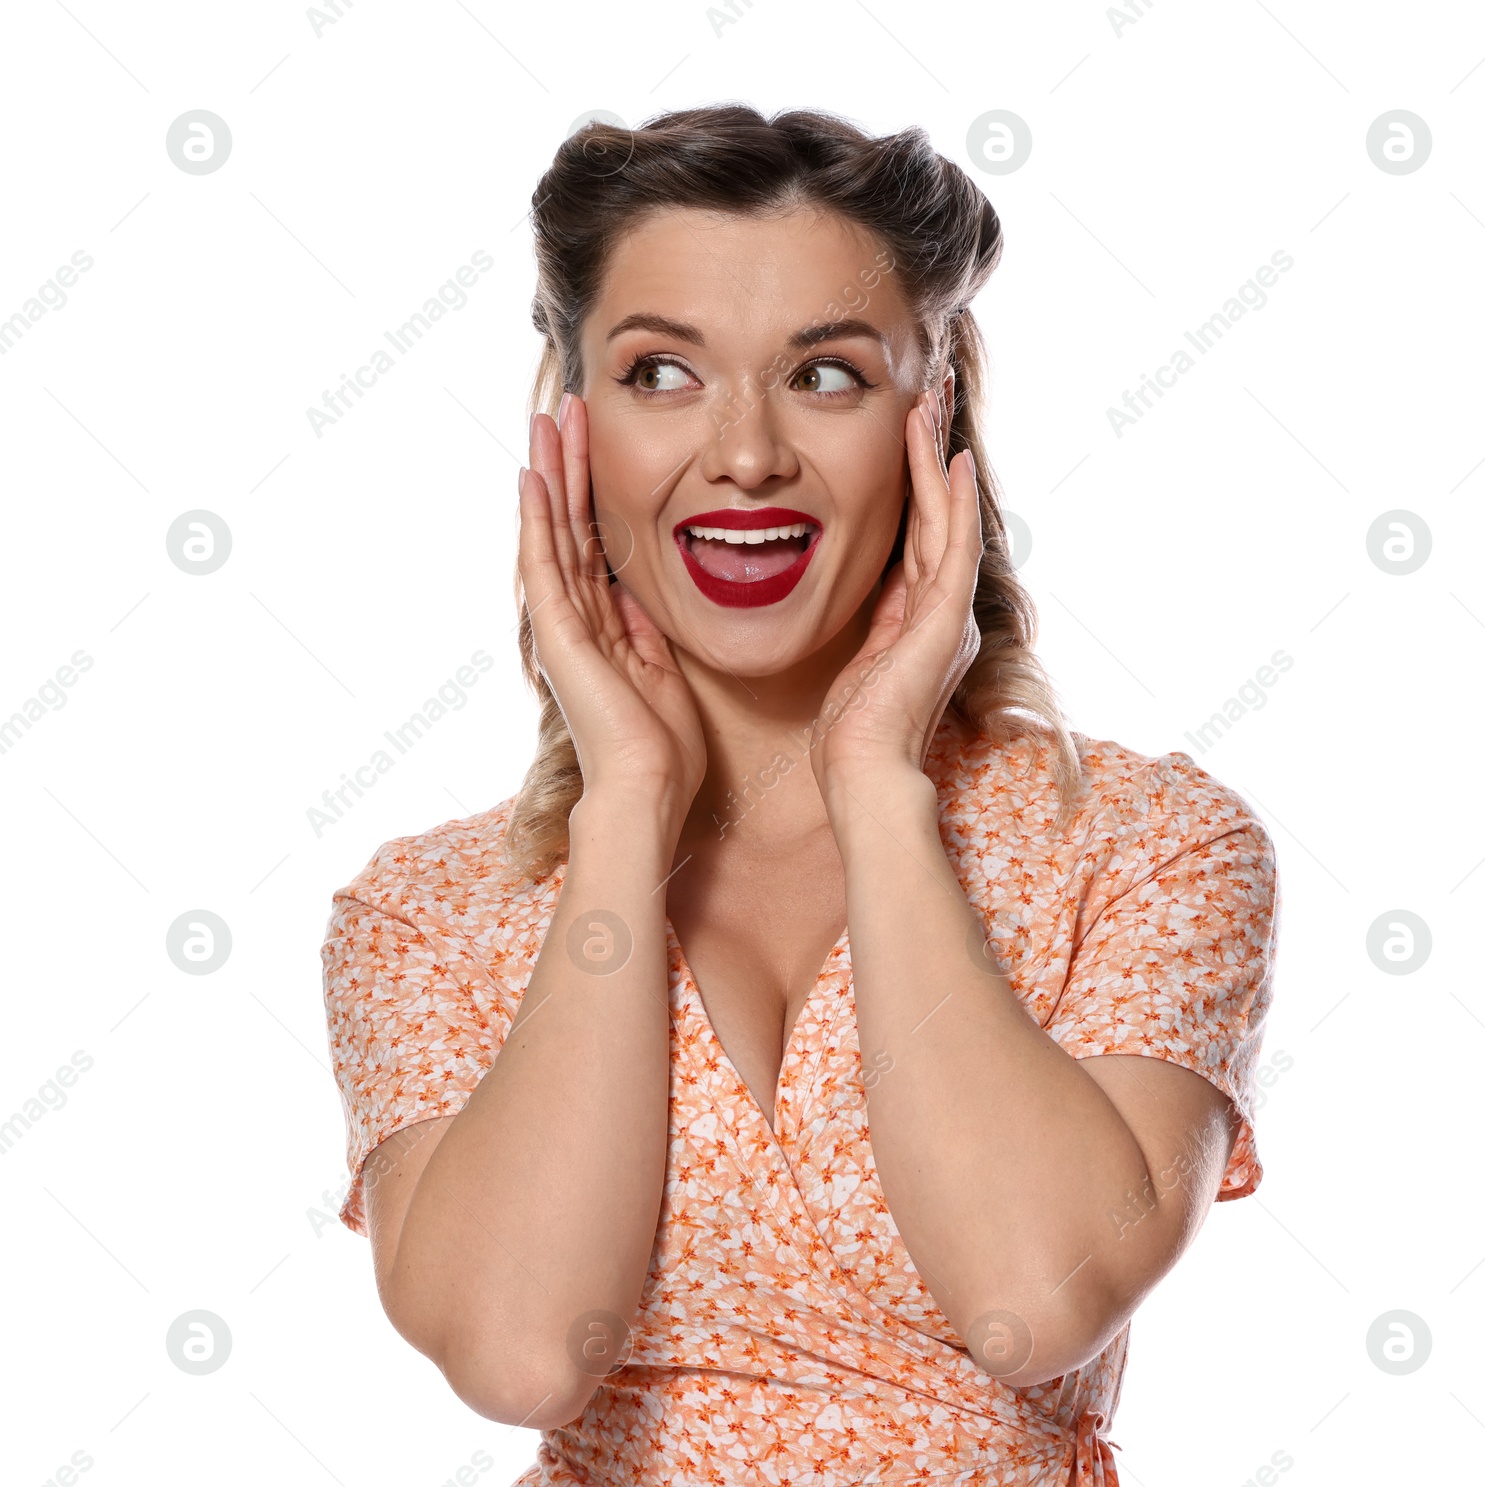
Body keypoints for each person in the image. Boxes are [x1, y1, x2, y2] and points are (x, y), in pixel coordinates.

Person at [321, 103, 1279, 1486]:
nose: (750, 454)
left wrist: (879, 787)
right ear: (571, 425)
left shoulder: (1143, 850)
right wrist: (629, 806)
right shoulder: (431, 914)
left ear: (931, 414)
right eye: (662, 375)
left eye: (826, 377)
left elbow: (1033, 1302)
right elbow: (522, 1355)